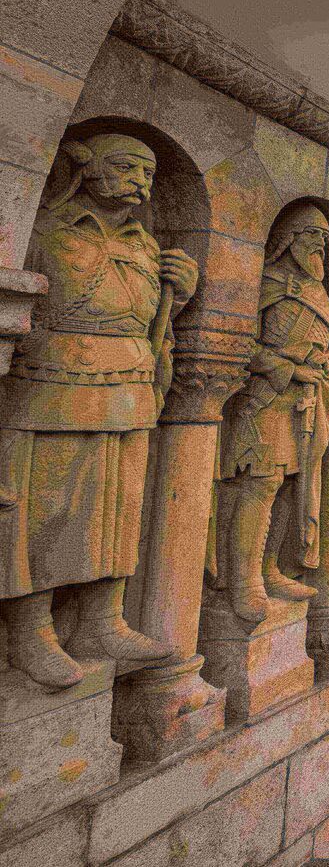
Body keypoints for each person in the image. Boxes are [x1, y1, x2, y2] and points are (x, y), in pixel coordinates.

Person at [0, 134, 196, 688]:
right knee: (44, 509)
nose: (140, 180)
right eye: (127, 166)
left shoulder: (146, 244)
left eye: (148, 173)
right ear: (87, 169)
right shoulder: (46, 230)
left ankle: (101, 621)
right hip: (52, 383)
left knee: (118, 506)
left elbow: (150, 322)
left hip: (130, 385)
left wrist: (178, 297)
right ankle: (31, 629)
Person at [211, 203, 329, 623]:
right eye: (313, 235)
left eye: (326, 239)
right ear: (290, 238)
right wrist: (289, 368)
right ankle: (244, 579)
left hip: (305, 405)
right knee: (260, 484)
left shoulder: (318, 292)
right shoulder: (263, 283)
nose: (321, 245)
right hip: (264, 400)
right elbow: (235, 343)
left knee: (290, 485)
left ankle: (270, 569)